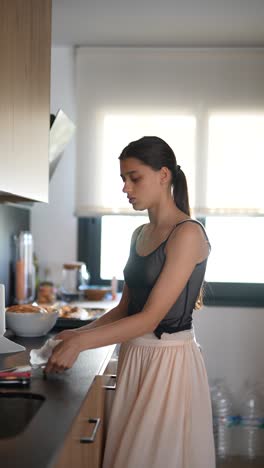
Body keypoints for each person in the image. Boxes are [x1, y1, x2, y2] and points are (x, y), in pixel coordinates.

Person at [46, 136, 216, 468]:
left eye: (134, 177)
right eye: (123, 179)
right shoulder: (139, 234)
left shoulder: (187, 234)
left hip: (168, 364)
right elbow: (126, 309)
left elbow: (150, 319)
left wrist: (81, 342)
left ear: (163, 175)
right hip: (134, 356)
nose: (126, 187)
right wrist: (77, 333)